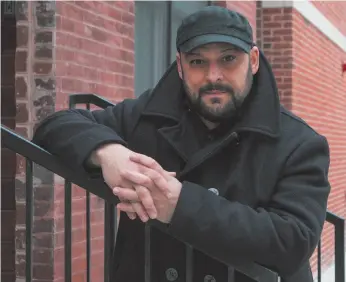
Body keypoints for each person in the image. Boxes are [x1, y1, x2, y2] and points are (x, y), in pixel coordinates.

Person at [33, 6, 330, 282]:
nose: (213, 76)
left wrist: (180, 206)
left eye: (228, 59)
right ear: (180, 66)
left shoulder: (298, 142)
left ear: (252, 61)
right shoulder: (150, 115)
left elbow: (293, 241)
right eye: (198, 61)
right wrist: (109, 154)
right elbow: (55, 125)